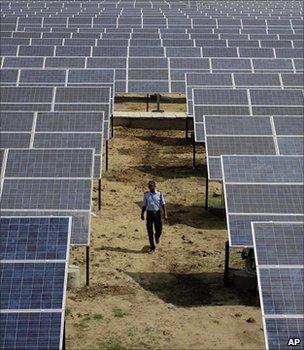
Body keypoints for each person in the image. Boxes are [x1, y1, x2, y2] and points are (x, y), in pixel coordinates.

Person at [141, 180, 168, 254]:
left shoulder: (159, 193)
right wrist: (142, 214)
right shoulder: (146, 194)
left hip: (157, 213)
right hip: (149, 214)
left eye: (152, 186)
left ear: (155, 186)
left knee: (159, 229)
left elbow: (163, 204)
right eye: (149, 186)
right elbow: (144, 205)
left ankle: (157, 236)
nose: (150, 187)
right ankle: (152, 246)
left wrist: (165, 214)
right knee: (149, 230)